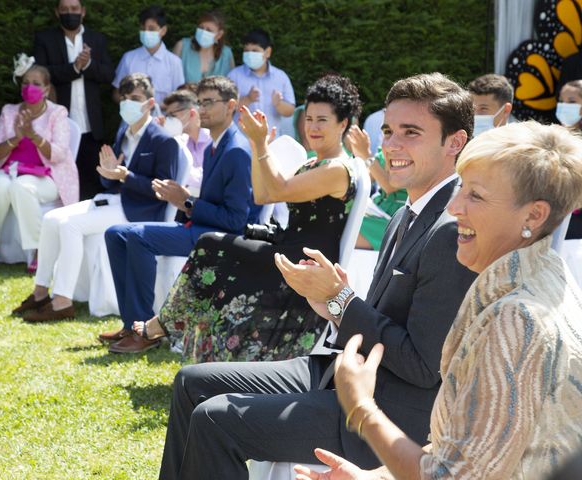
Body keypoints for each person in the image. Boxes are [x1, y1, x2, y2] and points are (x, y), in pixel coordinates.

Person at [157, 72, 477, 479]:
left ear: (455, 142)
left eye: (411, 133)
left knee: (216, 418)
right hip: (341, 369)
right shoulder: (405, 214)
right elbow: (385, 320)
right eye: (389, 131)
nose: (392, 145)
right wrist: (331, 306)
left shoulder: (452, 227)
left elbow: (421, 365)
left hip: (391, 408)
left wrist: (343, 300)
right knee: (190, 382)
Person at [296, 121, 582, 480]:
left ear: (534, 215)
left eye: (475, 195)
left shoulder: (518, 319)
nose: (455, 206)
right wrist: (375, 477)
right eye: (460, 187)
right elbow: (474, 445)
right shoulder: (545, 274)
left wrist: (362, 409)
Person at [134, 74, 361, 362]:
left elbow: (279, 189)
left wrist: (260, 145)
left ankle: (165, 324)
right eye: (310, 118)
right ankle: (185, 340)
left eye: (322, 120)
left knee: (211, 245)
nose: (312, 127)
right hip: (289, 247)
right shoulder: (313, 162)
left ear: (343, 124)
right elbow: (263, 196)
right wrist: (257, 148)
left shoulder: (337, 169)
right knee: (212, 246)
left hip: (303, 260)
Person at [99, 75, 259, 354]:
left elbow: (236, 221)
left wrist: (186, 202)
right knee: (115, 233)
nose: (203, 109)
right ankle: (131, 324)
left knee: (139, 237)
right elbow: (207, 203)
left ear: (231, 105)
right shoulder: (215, 146)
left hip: (220, 237)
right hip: (200, 225)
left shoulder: (236, 151)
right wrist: (184, 200)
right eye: (201, 102)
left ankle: (145, 330)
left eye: (209, 102)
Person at [14, 73, 179, 322]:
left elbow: (162, 190)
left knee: (71, 225)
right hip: (112, 199)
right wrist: (109, 173)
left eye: (135, 98)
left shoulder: (163, 140)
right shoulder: (124, 131)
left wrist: (126, 176)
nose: (128, 103)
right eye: (124, 98)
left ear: (150, 102)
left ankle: (62, 302)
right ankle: (40, 292)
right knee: (51, 218)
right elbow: (110, 178)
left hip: (139, 210)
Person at [0, 59, 78, 270]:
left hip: (48, 177)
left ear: (46, 89)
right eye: (26, 82)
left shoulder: (57, 113)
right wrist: (15, 139)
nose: (30, 87)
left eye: (36, 83)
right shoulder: (9, 112)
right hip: (11, 171)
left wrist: (33, 136)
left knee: (21, 187)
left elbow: (59, 154)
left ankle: (39, 249)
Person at [34, 0, 115, 200]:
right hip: (60, 127)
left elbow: (108, 74)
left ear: (83, 12)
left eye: (74, 9)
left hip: (91, 126)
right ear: (57, 12)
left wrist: (87, 65)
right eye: (65, 10)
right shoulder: (45, 39)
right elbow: (42, 74)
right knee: (63, 182)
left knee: (92, 181)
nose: (70, 13)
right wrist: (74, 68)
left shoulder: (97, 39)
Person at [348, 127, 407, 251]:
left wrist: (366, 155)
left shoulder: (406, 149)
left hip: (397, 218)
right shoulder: (384, 150)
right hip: (376, 208)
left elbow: (390, 185)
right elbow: (365, 180)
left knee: (347, 230)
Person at [112, 5, 184, 106]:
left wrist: (156, 107)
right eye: (143, 28)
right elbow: (116, 93)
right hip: (131, 120)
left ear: (163, 31)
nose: (146, 32)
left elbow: (179, 98)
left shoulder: (174, 62)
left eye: (151, 29)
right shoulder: (129, 58)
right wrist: (131, 105)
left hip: (162, 120)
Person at [228, 28, 295, 133]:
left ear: (268, 52)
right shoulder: (234, 75)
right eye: (246, 51)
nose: (250, 54)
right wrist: (248, 99)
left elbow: (290, 111)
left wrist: (279, 104)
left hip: (272, 141)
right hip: (241, 141)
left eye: (255, 50)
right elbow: (226, 108)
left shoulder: (281, 77)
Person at [161, 88, 211, 196]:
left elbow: (210, 179)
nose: (168, 120)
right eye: (167, 116)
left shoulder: (212, 140)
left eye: (172, 116)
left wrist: (182, 171)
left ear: (192, 114)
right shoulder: (179, 141)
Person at [172, 11, 234, 84]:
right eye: (201, 28)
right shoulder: (182, 46)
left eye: (209, 30)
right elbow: (170, 78)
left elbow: (231, 86)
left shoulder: (226, 54)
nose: (203, 32)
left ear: (219, 35)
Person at [557, 80, 582, 240]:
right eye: (561, 101)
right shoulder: (553, 134)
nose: (565, 106)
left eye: (572, 101)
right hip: (557, 216)